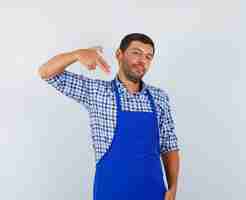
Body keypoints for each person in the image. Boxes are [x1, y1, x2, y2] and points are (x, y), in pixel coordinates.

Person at [38, 33, 180, 200]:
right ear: (119, 55)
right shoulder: (97, 92)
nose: (143, 60)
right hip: (111, 193)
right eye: (136, 53)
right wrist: (76, 54)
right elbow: (46, 72)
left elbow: (169, 146)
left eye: (148, 56)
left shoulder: (159, 97)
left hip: (154, 193)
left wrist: (173, 188)